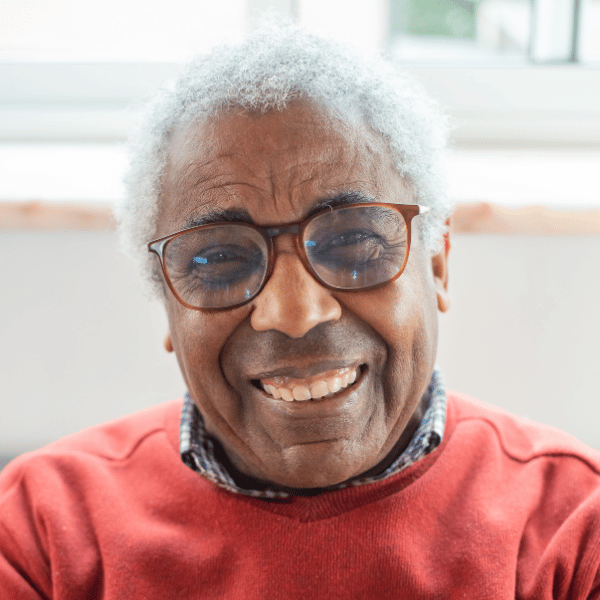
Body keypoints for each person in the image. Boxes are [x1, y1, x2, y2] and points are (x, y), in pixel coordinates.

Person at [1, 25, 599, 599]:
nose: (294, 313)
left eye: (353, 241)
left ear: (438, 264)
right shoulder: (37, 533)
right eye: (217, 259)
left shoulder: (575, 529)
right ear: (167, 302)